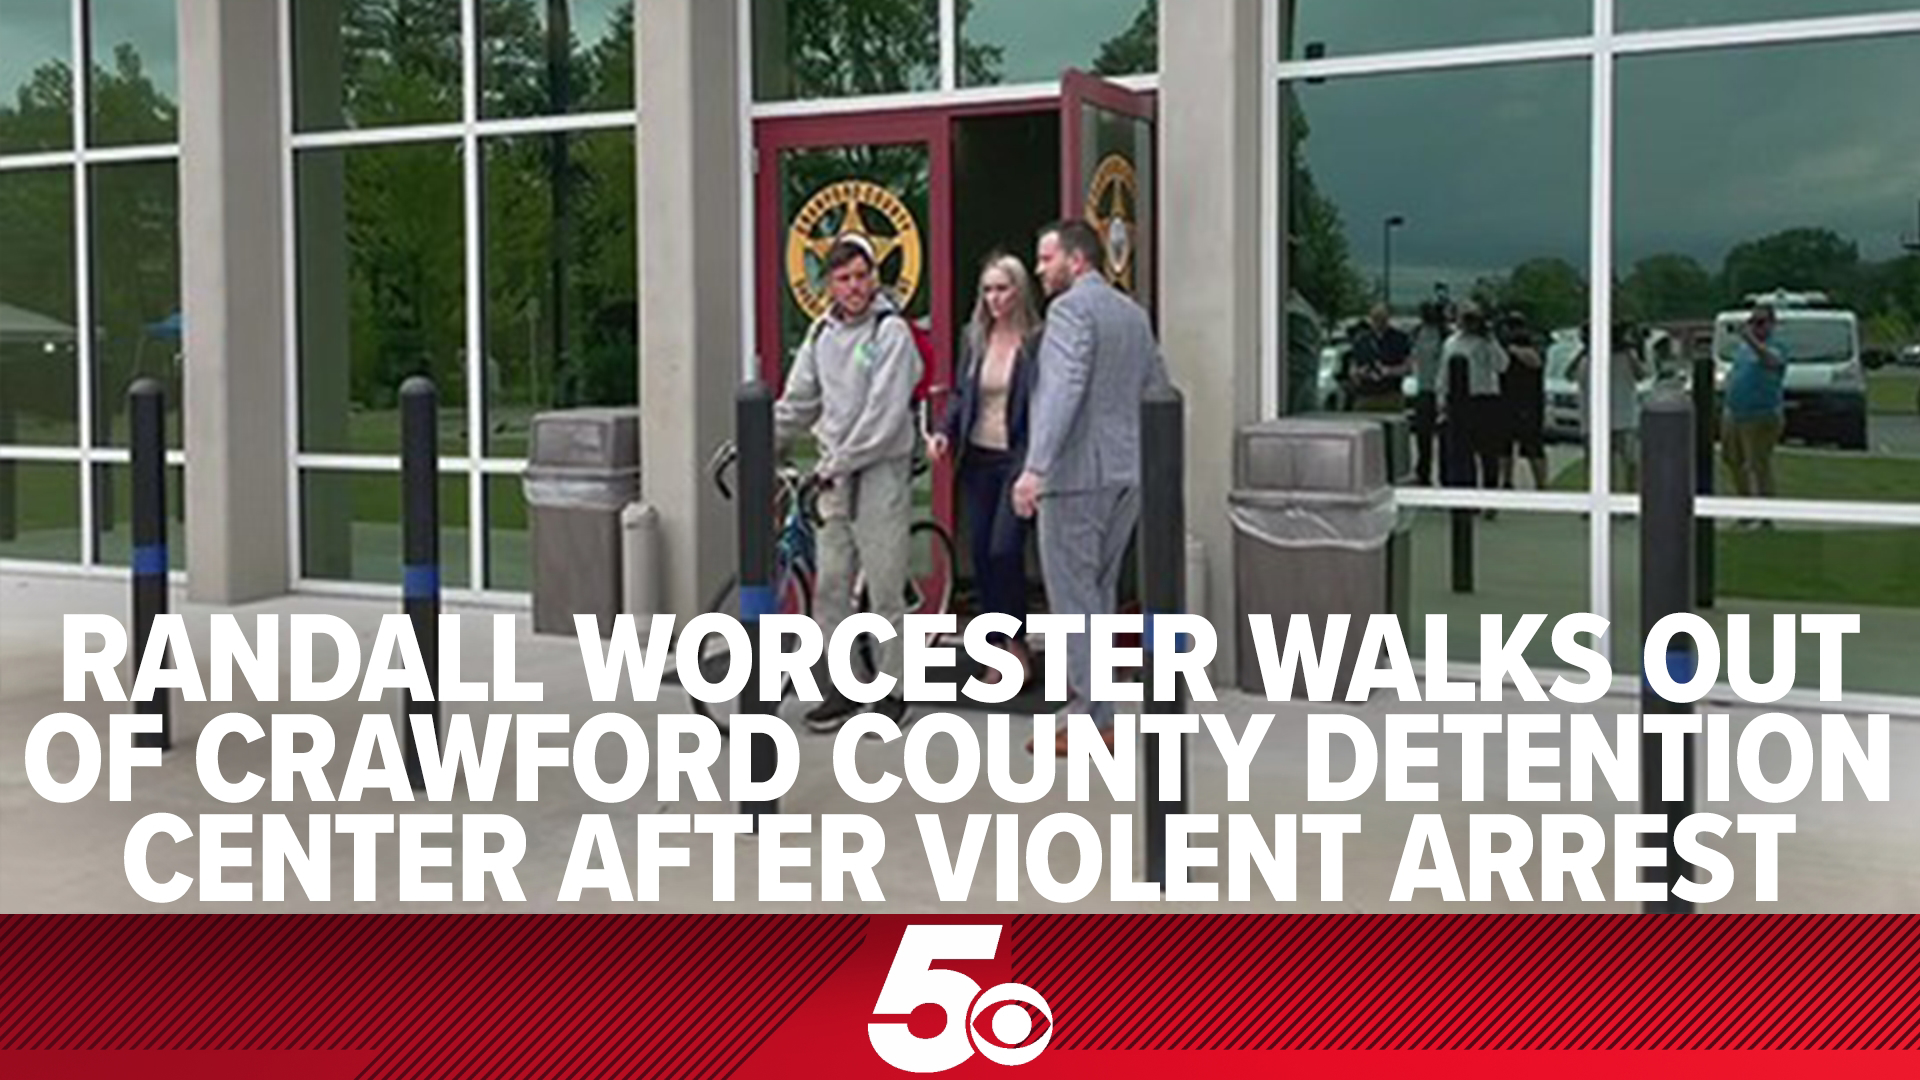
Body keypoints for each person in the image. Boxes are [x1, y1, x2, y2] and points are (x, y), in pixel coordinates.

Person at [1011, 219, 1170, 753]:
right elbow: (1158, 387)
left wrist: (1036, 468)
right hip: (1128, 474)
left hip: (1077, 476)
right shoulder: (1132, 314)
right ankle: (1098, 708)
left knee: (1074, 597)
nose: (1039, 269)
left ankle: (1092, 715)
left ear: (1076, 261)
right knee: (1097, 594)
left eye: (1046, 257)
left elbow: (1063, 387)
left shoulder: (1070, 311)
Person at [773, 234, 921, 732]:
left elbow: (882, 416)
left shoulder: (890, 332)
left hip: (878, 474)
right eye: (844, 279)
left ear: (873, 277)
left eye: (862, 276)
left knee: (883, 589)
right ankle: (843, 686)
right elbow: (798, 402)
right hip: (834, 478)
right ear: (830, 285)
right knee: (831, 588)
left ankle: (893, 689)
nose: (854, 287)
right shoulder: (821, 335)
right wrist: (756, 437)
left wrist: (837, 461)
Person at [929, 253, 1042, 686]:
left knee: (1004, 550)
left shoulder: (1036, 341)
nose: (995, 298)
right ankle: (996, 646)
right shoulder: (974, 337)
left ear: (1019, 290)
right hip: (977, 459)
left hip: (1016, 457)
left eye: (1003, 288)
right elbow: (960, 395)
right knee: (980, 555)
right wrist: (944, 431)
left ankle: (1016, 645)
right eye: (989, 290)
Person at [1722, 303, 1788, 517]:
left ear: (1772, 324)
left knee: (1759, 464)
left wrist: (1750, 339)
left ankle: (1766, 513)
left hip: (1762, 416)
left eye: (1760, 322)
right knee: (1732, 460)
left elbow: (1772, 361)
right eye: (1752, 322)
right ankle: (1745, 508)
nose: (1755, 327)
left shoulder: (1776, 346)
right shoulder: (1742, 350)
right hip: (1735, 413)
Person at [1440, 304, 1509, 504]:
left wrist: (1490, 338)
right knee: (1462, 452)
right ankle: (1467, 497)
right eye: (1465, 318)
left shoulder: (1487, 342)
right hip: (1460, 401)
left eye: (1472, 318)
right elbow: (1444, 373)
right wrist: (1442, 400)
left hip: (1485, 400)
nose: (1469, 323)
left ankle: (1490, 496)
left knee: (1488, 453)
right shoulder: (1451, 342)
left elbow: (1502, 365)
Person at [1569, 322, 1650, 490]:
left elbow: (1642, 373)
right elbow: (1642, 374)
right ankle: (1610, 497)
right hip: (1615, 416)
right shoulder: (1590, 358)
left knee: (1619, 461)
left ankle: (1624, 496)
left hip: (1614, 417)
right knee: (1619, 461)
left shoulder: (1621, 357)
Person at [1498, 311, 1549, 492]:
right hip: (1506, 400)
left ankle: (1541, 484)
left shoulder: (1533, 346)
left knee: (1533, 446)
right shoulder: (1501, 349)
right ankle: (1506, 481)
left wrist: (1514, 348)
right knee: (1504, 446)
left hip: (1529, 402)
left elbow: (1536, 362)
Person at [1342, 302, 1412, 413]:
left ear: (1387, 318)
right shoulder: (1361, 340)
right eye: (1376, 318)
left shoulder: (1400, 339)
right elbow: (1353, 369)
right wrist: (1360, 373)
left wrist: (1389, 371)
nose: (1379, 322)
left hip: (1390, 395)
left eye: (1382, 318)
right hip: (1365, 395)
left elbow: (1408, 367)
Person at [1409, 301, 1449, 484]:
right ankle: (1423, 473)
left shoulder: (1445, 334)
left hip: (1442, 391)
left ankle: (1445, 474)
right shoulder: (1417, 333)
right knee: (1423, 436)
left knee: (1444, 439)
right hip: (1423, 389)